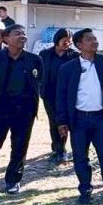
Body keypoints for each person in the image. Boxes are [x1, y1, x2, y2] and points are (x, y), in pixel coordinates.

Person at [55, 28, 103, 205]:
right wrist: (61, 121)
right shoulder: (68, 68)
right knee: (80, 156)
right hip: (78, 120)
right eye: (89, 39)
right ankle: (85, 189)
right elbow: (61, 96)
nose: (94, 41)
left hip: (100, 118)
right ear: (79, 45)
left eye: (95, 39)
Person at [0, 25, 42, 195]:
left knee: (20, 147)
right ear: (6, 39)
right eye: (17, 33)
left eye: (23, 33)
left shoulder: (34, 60)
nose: (23, 36)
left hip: (24, 112)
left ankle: (13, 180)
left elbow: (39, 81)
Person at [39, 28, 77, 164]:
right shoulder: (44, 54)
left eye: (69, 42)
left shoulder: (74, 55)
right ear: (57, 40)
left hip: (67, 95)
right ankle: (57, 148)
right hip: (49, 94)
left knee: (64, 121)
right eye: (64, 41)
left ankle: (63, 149)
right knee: (53, 121)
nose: (67, 44)